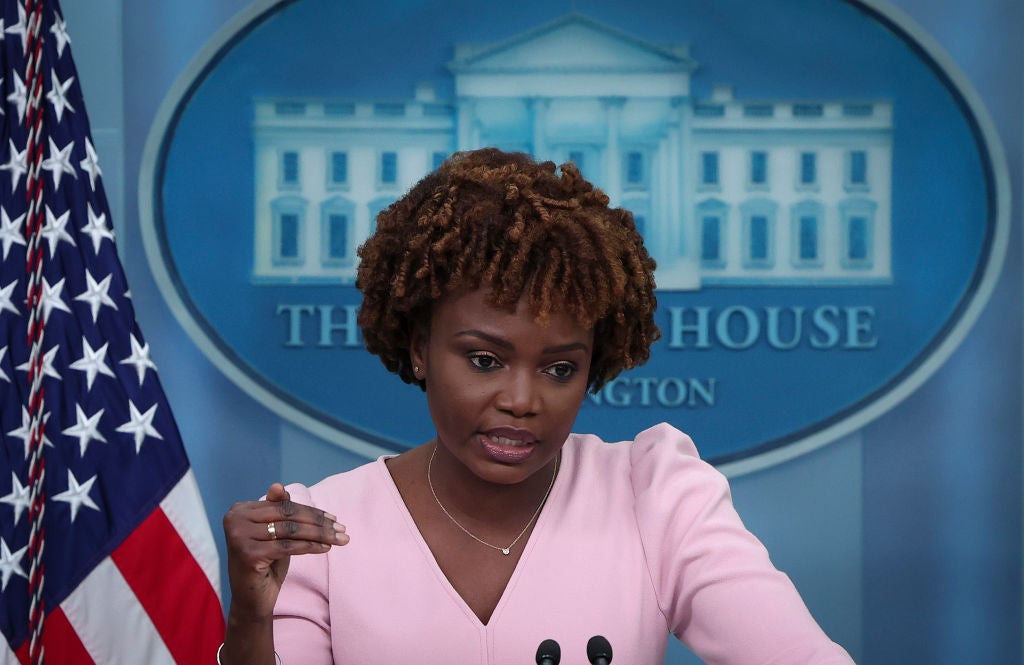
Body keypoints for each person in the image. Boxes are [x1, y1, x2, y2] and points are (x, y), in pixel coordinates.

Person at [219, 148, 855, 664]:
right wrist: (251, 617)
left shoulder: (654, 495)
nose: (522, 401)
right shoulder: (319, 529)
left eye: (559, 369)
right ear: (420, 349)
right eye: (485, 360)